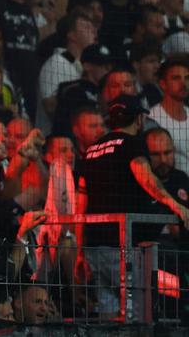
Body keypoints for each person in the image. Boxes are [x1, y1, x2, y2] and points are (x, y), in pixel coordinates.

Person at [78, 95, 189, 316]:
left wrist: (80, 250)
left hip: (95, 247)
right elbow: (147, 179)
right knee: (137, 316)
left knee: (108, 317)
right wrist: (177, 206)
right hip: (125, 248)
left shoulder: (91, 149)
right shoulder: (132, 144)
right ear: (138, 119)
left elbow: (82, 200)